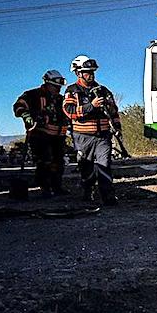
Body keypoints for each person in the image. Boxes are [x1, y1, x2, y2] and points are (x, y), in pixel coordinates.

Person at [62, 55, 121, 205]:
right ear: (78, 73)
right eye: (87, 72)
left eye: (92, 72)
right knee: (86, 167)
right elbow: (69, 110)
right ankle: (88, 192)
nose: (91, 75)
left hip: (103, 136)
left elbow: (114, 111)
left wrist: (117, 127)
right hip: (82, 137)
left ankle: (108, 197)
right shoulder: (72, 91)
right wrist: (91, 106)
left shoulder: (103, 90)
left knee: (105, 165)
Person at [13, 70, 69, 197]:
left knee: (58, 162)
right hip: (40, 136)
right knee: (44, 162)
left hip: (58, 137)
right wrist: (26, 115)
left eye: (59, 87)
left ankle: (57, 187)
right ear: (47, 84)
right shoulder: (33, 95)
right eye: (56, 86)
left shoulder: (61, 99)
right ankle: (45, 188)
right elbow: (19, 105)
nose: (58, 89)